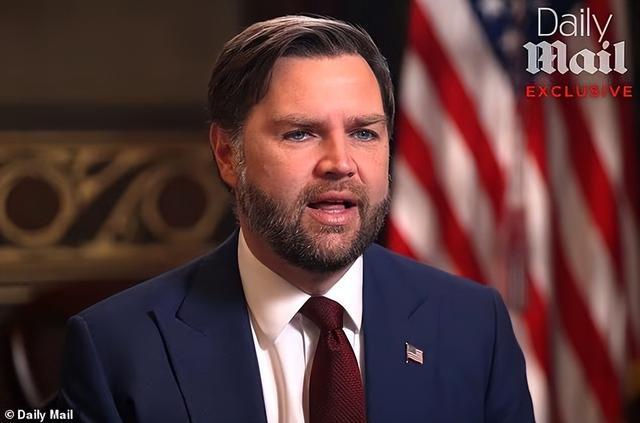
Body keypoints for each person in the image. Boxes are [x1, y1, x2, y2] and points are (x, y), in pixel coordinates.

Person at [56, 15, 534, 422]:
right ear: (227, 154)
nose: (340, 163)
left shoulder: (474, 326)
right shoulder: (115, 349)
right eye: (301, 133)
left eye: (364, 133)